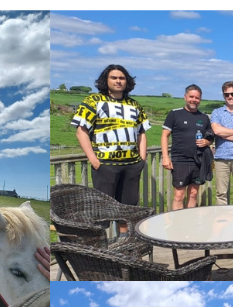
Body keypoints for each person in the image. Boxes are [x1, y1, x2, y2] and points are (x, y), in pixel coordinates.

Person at [71, 64, 150, 206]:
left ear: (127, 82)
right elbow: (81, 131)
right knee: (103, 210)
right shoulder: (93, 101)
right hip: (105, 165)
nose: (118, 81)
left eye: (122, 78)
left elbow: (141, 133)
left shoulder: (134, 105)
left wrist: (142, 160)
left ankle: (124, 229)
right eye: (114, 78)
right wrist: (94, 161)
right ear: (106, 80)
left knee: (128, 210)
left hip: (131, 166)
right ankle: (104, 230)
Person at [161, 85, 212, 211]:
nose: (194, 100)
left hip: (198, 161)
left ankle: (190, 225)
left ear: (200, 100)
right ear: (185, 97)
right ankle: (177, 226)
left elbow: (210, 137)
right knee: (179, 195)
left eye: (197, 98)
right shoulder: (175, 114)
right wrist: (166, 157)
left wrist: (207, 141)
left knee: (194, 194)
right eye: (191, 97)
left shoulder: (204, 117)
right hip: (180, 160)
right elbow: (164, 135)